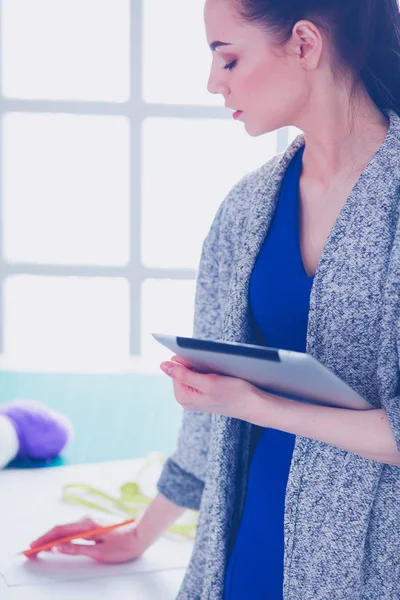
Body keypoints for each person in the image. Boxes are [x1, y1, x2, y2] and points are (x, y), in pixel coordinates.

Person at [29, 0, 400, 597]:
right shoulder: (247, 208)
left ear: (305, 45)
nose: (212, 83)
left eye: (227, 59)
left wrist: (257, 405)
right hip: (248, 540)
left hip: (373, 560)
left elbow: (243, 402)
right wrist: (137, 535)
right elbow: (207, 417)